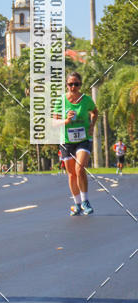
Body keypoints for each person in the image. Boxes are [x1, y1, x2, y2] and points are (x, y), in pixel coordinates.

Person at [53, 72, 98, 215]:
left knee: (80, 169)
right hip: (67, 141)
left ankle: (85, 201)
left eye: (76, 84)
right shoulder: (60, 101)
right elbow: (54, 122)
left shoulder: (86, 100)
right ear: (66, 85)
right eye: (70, 84)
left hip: (83, 140)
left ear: (80, 85)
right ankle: (77, 204)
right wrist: (66, 121)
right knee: (72, 174)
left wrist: (92, 125)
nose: (73, 87)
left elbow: (95, 112)